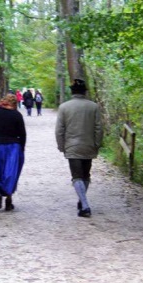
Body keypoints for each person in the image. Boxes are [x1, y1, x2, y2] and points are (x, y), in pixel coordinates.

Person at [55, 79, 103, 217]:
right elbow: (99, 128)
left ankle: (85, 205)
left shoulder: (64, 107)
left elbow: (59, 130)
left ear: (72, 91)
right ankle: (82, 201)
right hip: (89, 145)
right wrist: (97, 143)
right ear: (84, 92)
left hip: (72, 146)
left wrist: (61, 145)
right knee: (85, 175)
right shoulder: (93, 107)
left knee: (76, 176)